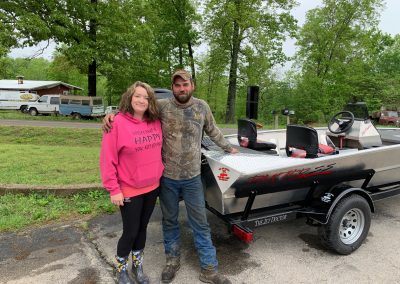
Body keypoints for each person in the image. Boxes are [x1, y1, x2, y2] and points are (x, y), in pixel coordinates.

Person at [103, 70, 238, 284]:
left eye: (185, 84)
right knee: (170, 221)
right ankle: (172, 262)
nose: (181, 89)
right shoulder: (163, 107)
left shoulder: (202, 107)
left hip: (193, 178)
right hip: (166, 179)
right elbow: (136, 109)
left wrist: (229, 148)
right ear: (172, 87)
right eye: (177, 85)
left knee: (200, 224)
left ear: (192, 85)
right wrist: (112, 116)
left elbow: (213, 131)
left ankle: (209, 269)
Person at [100, 81, 163, 284]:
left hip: (152, 186)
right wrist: (113, 189)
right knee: (130, 231)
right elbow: (107, 159)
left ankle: (137, 266)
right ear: (130, 97)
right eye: (137, 96)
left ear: (151, 101)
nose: (141, 100)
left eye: (146, 97)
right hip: (129, 189)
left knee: (143, 228)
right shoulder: (116, 123)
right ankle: (121, 269)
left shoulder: (155, 121)